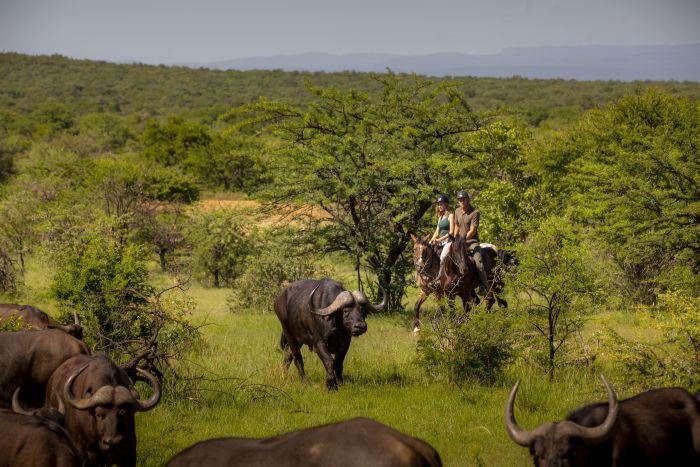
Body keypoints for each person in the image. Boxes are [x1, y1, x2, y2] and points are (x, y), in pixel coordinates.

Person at [452, 190, 490, 295]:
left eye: (464, 199)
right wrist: (455, 239)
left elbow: (473, 230)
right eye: (460, 200)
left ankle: (484, 287)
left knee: (479, 264)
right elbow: (456, 226)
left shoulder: (475, 212)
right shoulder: (457, 211)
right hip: (459, 242)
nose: (462, 201)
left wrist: (463, 240)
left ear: (468, 199)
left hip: (472, 242)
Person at [429, 195, 454, 287]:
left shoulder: (450, 216)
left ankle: (439, 278)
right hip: (440, 242)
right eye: (439, 204)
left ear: (446, 205)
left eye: (441, 204)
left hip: (449, 241)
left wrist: (439, 239)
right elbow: (437, 231)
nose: (439, 206)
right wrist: (431, 240)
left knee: (442, 257)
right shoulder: (440, 217)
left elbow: (451, 232)